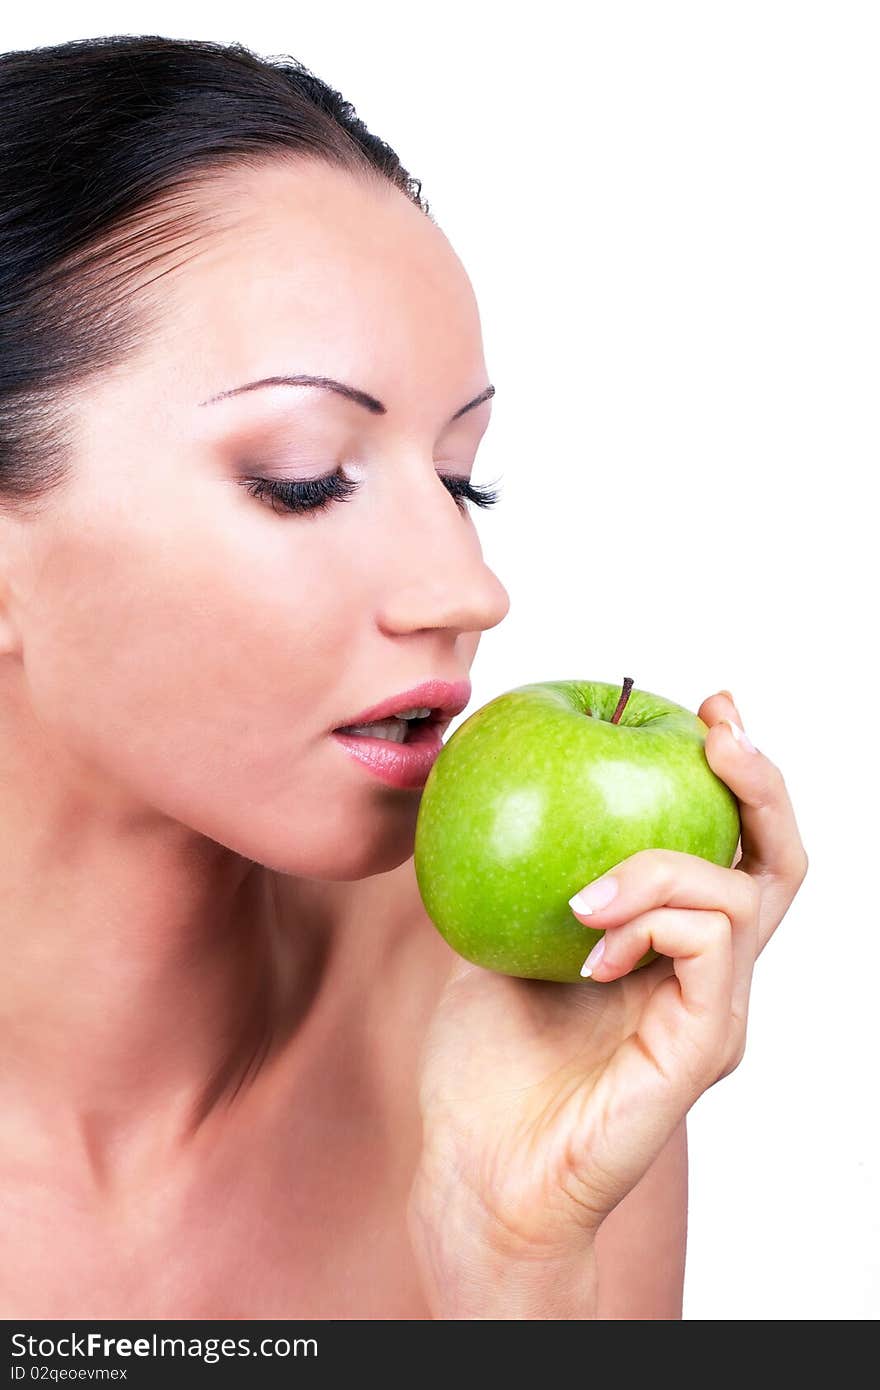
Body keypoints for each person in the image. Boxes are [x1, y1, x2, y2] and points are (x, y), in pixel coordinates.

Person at [0, 35, 809, 1321]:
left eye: (459, 478)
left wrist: (515, 1266)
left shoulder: (528, 1033)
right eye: (305, 477)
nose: (472, 589)